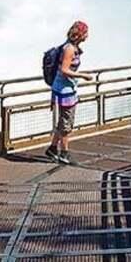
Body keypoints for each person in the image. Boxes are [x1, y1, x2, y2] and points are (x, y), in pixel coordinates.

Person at [46, 21, 92, 164]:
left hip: (65, 89)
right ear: (79, 35)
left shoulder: (71, 47)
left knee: (63, 121)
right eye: (85, 33)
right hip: (64, 91)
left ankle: (53, 149)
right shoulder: (69, 49)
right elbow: (64, 70)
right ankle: (64, 153)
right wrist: (83, 75)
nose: (88, 36)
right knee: (66, 123)